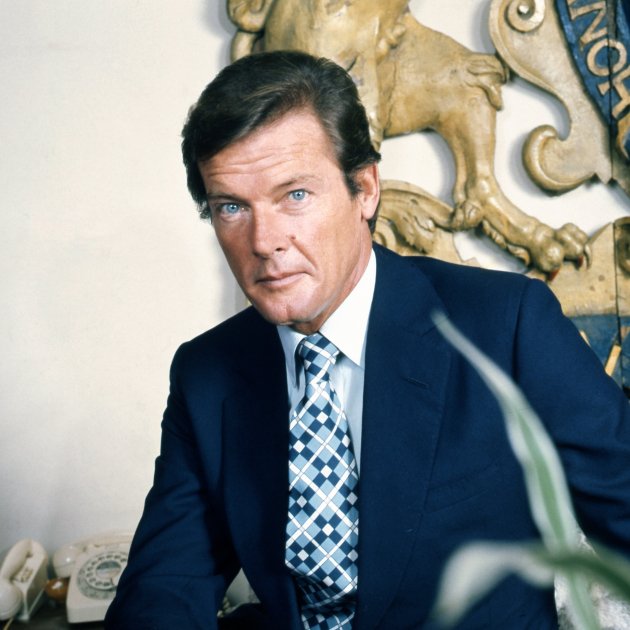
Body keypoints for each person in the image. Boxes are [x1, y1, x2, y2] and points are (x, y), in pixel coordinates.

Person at [105, 50, 630, 629]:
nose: (264, 241)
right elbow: (165, 583)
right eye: (232, 207)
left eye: (295, 195)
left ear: (366, 189)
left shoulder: (507, 326)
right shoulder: (206, 372)